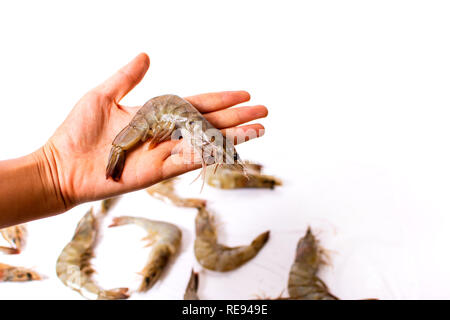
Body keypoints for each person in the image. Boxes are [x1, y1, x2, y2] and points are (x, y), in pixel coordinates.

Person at [0, 53, 268, 228]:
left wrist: (55, 177)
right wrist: (54, 175)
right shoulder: (186, 125)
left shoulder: (195, 128)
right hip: (161, 112)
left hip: (169, 115)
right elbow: (189, 128)